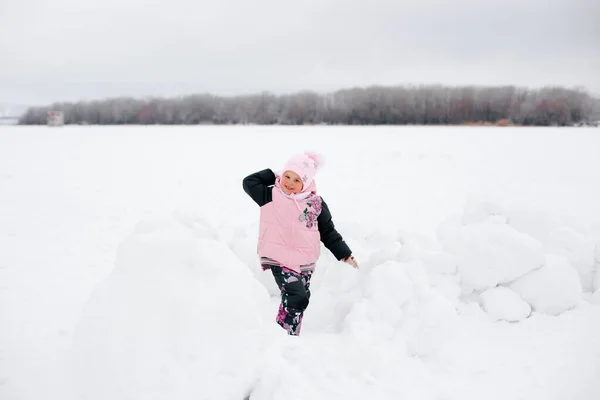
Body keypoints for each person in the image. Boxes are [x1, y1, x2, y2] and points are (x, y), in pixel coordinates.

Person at [242, 152, 359, 336]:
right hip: (277, 257)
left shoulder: (315, 204)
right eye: (287, 176)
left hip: (304, 262)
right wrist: (273, 175)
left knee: (300, 299)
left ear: (306, 183)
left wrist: (344, 253)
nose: (289, 183)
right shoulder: (270, 195)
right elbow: (249, 182)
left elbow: (328, 232)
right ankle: (284, 337)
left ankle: (285, 334)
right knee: (296, 297)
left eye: (297, 180)